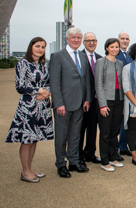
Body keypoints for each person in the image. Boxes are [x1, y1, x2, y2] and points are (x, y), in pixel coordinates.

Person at [5, 37, 53, 183]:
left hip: (42, 106)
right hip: (28, 107)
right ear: (31, 47)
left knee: (35, 139)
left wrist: (47, 91)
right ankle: (25, 171)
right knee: (27, 139)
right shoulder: (22, 64)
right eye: (37, 46)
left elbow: (50, 83)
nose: (40, 49)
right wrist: (39, 90)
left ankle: (30, 169)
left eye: (43, 47)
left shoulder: (45, 65)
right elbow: (19, 86)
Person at [49, 27, 91, 178]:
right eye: (73, 37)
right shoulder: (57, 56)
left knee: (75, 135)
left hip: (80, 103)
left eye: (78, 38)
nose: (76, 40)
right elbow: (54, 82)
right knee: (61, 136)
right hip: (64, 105)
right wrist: (58, 103)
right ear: (67, 39)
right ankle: (61, 164)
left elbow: (85, 79)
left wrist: (87, 99)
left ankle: (73, 162)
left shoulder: (82, 56)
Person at [95, 38, 125, 172]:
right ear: (107, 48)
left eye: (117, 47)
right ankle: (104, 160)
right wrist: (102, 105)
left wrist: (124, 104)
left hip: (119, 100)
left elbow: (122, 85)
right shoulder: (101, 62)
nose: (115, 49)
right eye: (112, 47)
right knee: (105, 132)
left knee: (114, 131)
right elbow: (99, 84)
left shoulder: (119, 63)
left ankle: (113, 157)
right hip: (106, 101)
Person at [80, 32, 102, 164]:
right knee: (80, 128)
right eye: (88, 41)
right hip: (82, 100)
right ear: (84, 43)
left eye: (93, 40)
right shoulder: (79, 57)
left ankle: (90, 153)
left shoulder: (100, 59)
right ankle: (78, 155)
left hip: (96, 100)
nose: (91, 43)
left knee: (93, 128)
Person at [115, 32, 132, 159]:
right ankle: (115, 149)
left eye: (127, 39)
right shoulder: (115, 54)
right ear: (118, 40)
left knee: (127, 121)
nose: (125, 41)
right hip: (118, 93)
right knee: (116, 122)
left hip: (129, 93)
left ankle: (123, 146)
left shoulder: (130, 55)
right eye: (122, 39)